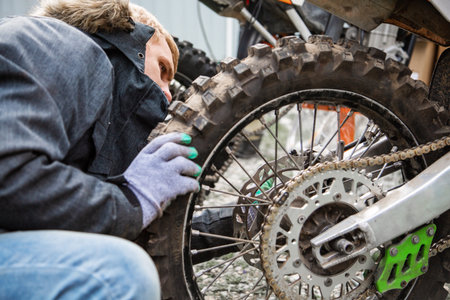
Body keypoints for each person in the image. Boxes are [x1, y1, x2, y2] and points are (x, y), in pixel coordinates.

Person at [0, 0, 200, 298]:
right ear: (131, 37)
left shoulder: (90, 123)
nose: (169, 97)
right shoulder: (59, 43)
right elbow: (10, 175)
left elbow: (90, 221)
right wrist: (133, 200)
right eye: (162, 69)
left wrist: (234, 223)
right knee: (120, 273)